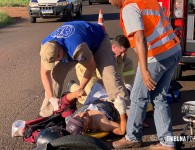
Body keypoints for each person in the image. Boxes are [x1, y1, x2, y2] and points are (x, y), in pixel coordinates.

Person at [109, 0, 182, 150]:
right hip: (173, 50)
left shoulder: (129, 7)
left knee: (137, 97)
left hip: (157, 56)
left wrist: (144, 69)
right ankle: (167, 143)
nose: (110, 2)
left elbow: (140, 37)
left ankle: (132, 137)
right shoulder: (146, 1)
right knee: (159, 97)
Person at [39, 21, 129, 131]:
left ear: (60, 52)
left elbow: (91, 67)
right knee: (55, 75)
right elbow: (45, 73)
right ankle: (46, 115)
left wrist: (80, 88)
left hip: (97, 41)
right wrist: (51, 98)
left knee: (110, 77)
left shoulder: (76, 48)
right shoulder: (46, 47)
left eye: (57, 58)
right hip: (75, 42)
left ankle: (131, 115)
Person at [75, 35, 134, 104]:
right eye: (121, 52)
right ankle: (73, 88)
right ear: (114, 47)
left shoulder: (121, 55)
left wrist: (126, 91)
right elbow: (103, 76)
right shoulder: (103, 52)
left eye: (125, 52)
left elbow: (118, 76)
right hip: (86, 68)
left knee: (111, 92)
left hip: (102, 67)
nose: (123, 55)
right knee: (91, 98)